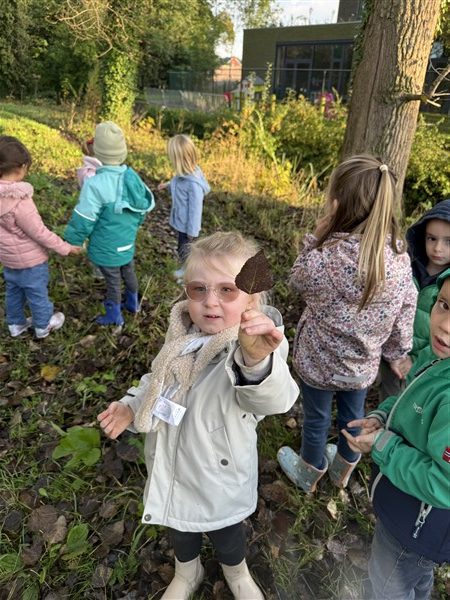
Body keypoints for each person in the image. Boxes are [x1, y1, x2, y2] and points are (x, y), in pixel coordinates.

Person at [97, 231, 299, 600]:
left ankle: (236, 571)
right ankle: (186, 571)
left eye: (227, 290)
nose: (211, 302)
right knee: (180, 527)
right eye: (198, 289)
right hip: (173, 465)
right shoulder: (181, 340)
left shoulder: (254, 348)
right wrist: (131, 405)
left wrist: (255, 361)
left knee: (226, 532)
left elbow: (274, 398)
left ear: (251, 299)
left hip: (218, 475)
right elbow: (156, 380)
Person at [278, 154, 417, 493]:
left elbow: (296, 278)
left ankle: (309, 473)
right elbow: (406, 306)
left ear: (338, 204)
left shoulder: (325, 260)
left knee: (316, 420)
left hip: (318, 364)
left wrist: (317, 236)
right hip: (360, 369)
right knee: (354, 420)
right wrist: (399, 352)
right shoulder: (399, 260)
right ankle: (343, 471)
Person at [342, 267, 450, 600]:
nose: (445, 326)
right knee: (415, 578)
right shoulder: (435, 357)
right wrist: (382, 416)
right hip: (405, 512)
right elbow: (408, 400)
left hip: (415, 529)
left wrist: (384, 446)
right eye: (445, 305)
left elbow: (444, 483)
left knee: (389, 585)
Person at [64, 121, 155, 326]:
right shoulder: (133, 178)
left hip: (106, 245)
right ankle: (133, 303)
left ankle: (114, 315)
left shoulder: (95, 184)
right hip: (127, 241)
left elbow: (84, 218)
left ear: (97, 153)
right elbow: (141, 210)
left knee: (112, 280)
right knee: (127, 270)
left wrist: (73, 240)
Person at [0, 135, 82, 339]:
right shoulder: (19, 201)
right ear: (21, 167)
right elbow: (39, 232)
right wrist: (65, 248)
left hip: (8, 259)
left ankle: (15, 324)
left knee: (14, 291)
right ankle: (43, 325)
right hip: (31, 261)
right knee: (37, 293)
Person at [378, 198, 450, 400]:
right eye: (431, 239)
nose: (437, 249)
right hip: (391, 353)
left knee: (411, 404)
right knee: (388, 397)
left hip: (426, 362)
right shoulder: (405, 267)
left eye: (448, 242)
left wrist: (417, 359)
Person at [157, 134, 210, 281]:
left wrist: (192, 231)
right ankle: (185, 268)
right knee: (182, 249)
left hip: (188, 227)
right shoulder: (184, 175)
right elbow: (177, 184)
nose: (171, 162)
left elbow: (195, 210)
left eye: (173, 159)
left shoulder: (193, 185)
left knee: (186, 250)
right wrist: (167, 185)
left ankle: (188, 274)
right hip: (182, 222)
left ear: (181, 160)